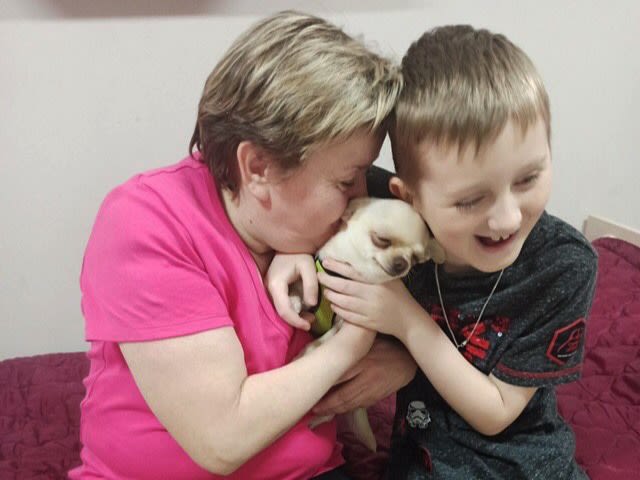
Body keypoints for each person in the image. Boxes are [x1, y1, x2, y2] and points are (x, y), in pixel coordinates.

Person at [69, 11, 405, 480]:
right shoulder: (146, 222)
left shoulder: (310, 224)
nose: (360, 202)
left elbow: (493, 279)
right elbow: (222, 440)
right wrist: (353, 344)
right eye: (347, 181)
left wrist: (406, 358)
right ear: (258, 168)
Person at [275, 25, 598, 479]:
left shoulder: (562, 264)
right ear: (407, 198)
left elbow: (497, 412)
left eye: (527, 179)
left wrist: (405, 320)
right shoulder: (387, 218)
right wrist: (289, 249)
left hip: (526, 468)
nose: (506, 218)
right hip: (417, 463)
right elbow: (304, 198)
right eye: (470, 201)